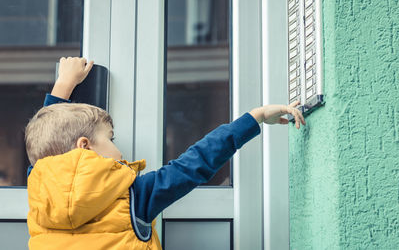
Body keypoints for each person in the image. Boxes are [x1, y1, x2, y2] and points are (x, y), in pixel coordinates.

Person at [25, 57, 306, 250]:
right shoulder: (134, 197)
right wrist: (254, 117)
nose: (119, 149)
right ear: (85, 145)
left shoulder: (39, 191)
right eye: (110, 139)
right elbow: (193, 164)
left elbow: (44, 148)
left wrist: (63, 86)